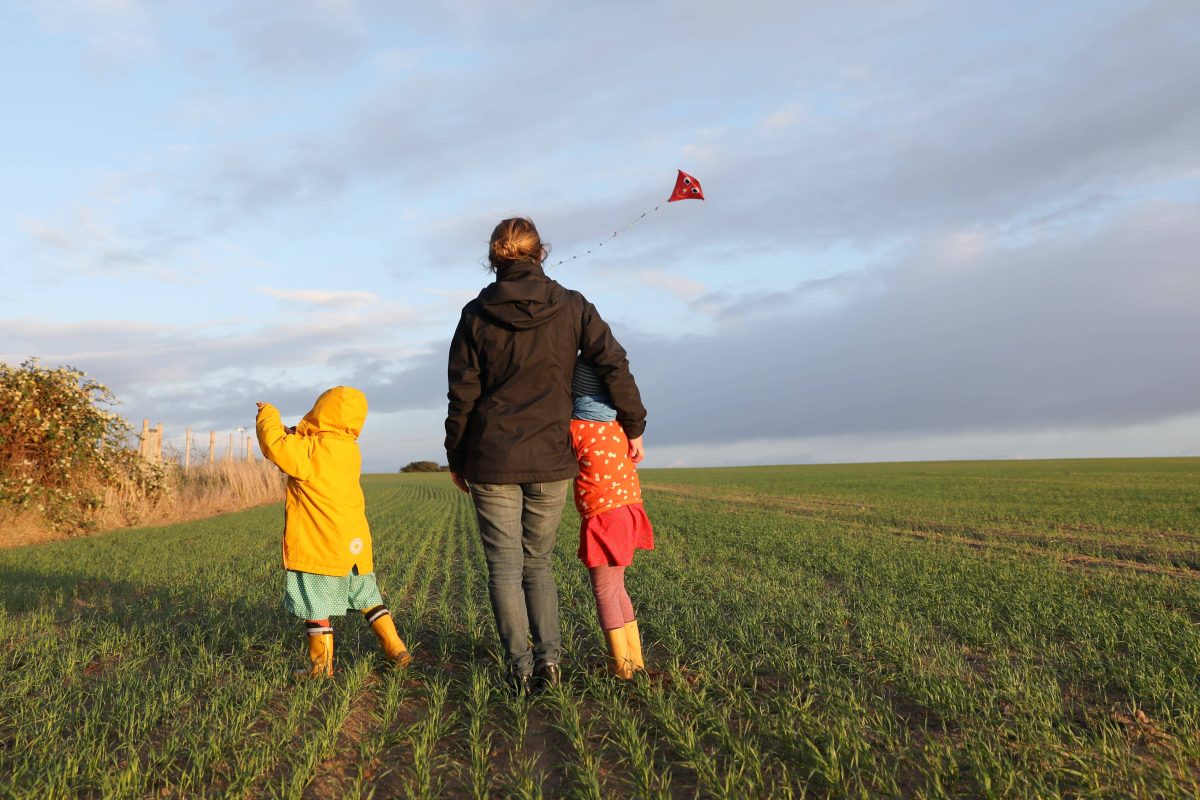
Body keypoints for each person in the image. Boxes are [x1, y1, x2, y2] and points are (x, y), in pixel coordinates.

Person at [445, 217, 646, 694]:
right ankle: (549, 665)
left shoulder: (475, 314)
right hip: (553, 458)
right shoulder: (572, 306)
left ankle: (518, 670)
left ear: (495, 259)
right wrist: (633, 424)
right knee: (538, 564)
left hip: (492, 459)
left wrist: (457, 456)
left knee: (504, 568)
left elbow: (461, 395)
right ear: (541, 254)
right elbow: (613, 363)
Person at [256, 386, 412, 677]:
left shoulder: (310, 451)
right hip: (354, 546)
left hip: (321, 545)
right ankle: (396, 648)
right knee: (368, 599)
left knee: (316, 606)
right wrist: (294, 432)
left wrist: (268, 413)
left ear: (321, 411)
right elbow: (302, 446)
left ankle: (321, 667)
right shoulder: (348, 449)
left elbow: (274, 446)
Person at [569, 359, 654, 678]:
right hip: (629, 511)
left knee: (604, 592)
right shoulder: (620, 427)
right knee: (617, 589)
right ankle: (635, 662)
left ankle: (621, 668)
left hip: (604, 518)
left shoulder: (576, 428)